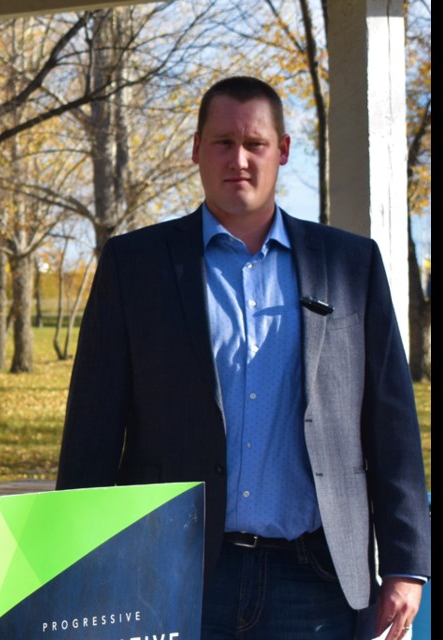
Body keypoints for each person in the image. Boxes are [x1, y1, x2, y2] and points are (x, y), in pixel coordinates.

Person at [56, 76, 429, 640]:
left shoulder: (351, 265)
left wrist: (406, 563)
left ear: (282, 151)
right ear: (195, 151)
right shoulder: (135, 266)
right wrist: (75, 566)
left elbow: (391, 423)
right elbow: (93, 429)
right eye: (223, 143)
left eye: (255, 144)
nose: (240, 160)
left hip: (317, 581)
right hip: (172, 574)